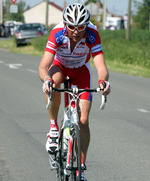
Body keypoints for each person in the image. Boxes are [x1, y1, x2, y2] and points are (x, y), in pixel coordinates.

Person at [38, 3, 111, 181]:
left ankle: (81, 171)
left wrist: (103, 82)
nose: (76, 31)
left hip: (80, 71)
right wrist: (46, 80)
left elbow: (101, 66)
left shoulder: (92, 34)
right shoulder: (57, 33)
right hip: (60, 67)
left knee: (83, 120)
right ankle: (54, 127)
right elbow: (43, 66)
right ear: (65, 24)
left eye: (80, 27)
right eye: (71, 26)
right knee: (54, 83)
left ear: (87, 25)